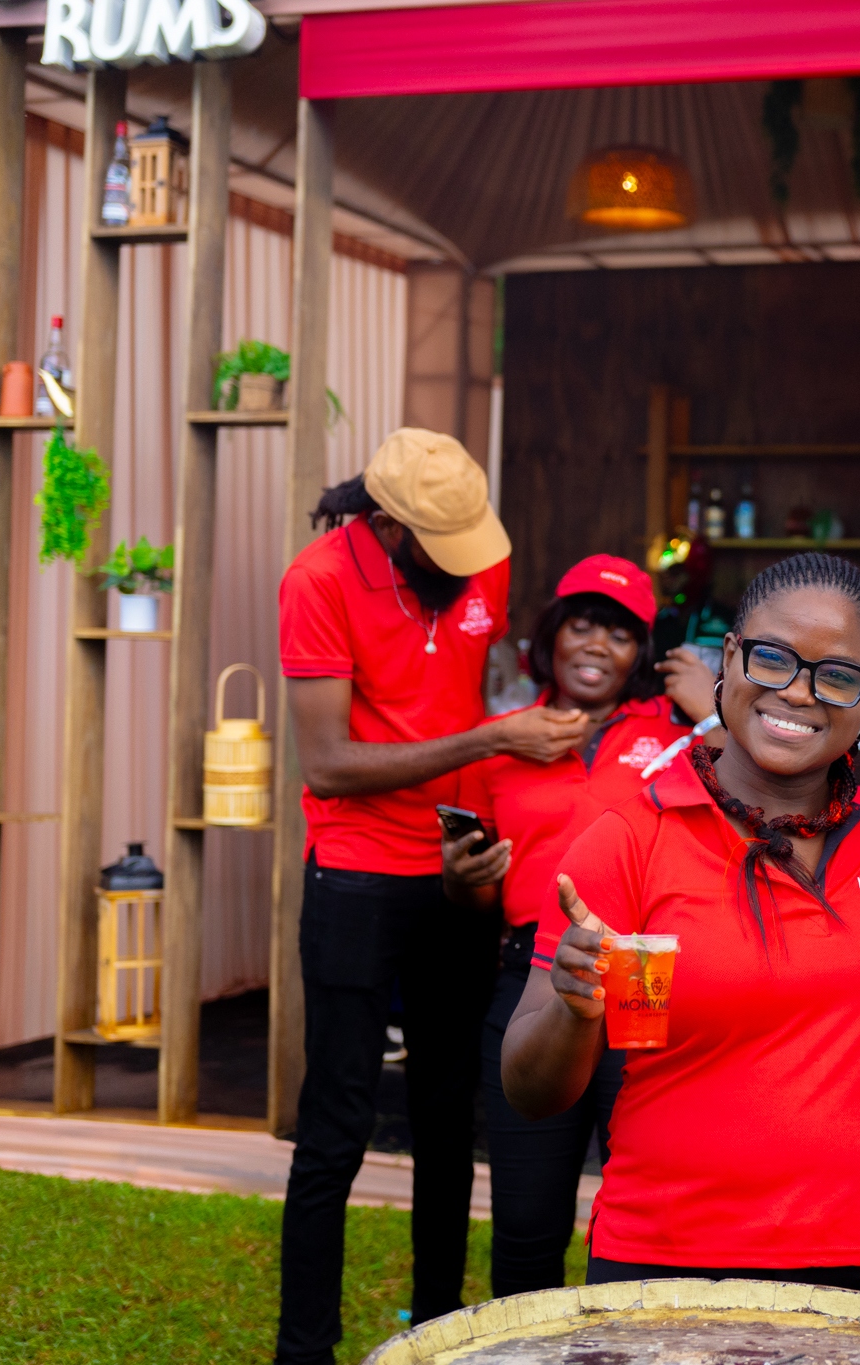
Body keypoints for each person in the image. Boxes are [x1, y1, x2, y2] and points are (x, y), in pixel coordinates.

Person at [502, 553, 860, 1309]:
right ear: (729, 658)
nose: (799, 692)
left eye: (837, 676)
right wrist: (574, 1007)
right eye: (772, 659)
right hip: (668, 1270)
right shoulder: (631, 841)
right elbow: (532, 1092)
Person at [275, 429, 591, 1365]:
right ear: (390, 525)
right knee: (335, 1123)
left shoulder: (480, 562)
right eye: (441, 547)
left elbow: (446, 688)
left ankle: (438, 1328)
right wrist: (493, 739)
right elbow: (327, 764)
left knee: (449, 1116)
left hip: (458, 865)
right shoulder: (317, 581)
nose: (466, 566)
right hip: (355, 868)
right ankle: (305, 1349)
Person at [444, 554, 719, 1298]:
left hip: (642, 977)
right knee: (525, 1226)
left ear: (642, 653)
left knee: (648, 1226)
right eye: (583, 625)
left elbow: (757, 792)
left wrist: (711, 709)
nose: (598, 644)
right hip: (528, 978)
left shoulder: (680, 736)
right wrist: (463, 880)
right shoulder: (501, 739)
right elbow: (483, 895)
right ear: (552, 634)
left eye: (620, 634)